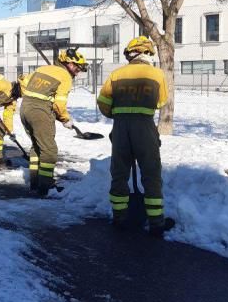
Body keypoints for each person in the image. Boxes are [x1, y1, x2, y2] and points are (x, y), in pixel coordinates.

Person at [97, 36, 174, 236]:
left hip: (121, 126)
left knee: (120, 172)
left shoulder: (116, 74)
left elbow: (103, 103)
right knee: (151, 173)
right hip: (145, 126)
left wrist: (120, 114)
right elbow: (161, 102)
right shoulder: (157, 74)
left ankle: (119, 218)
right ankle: (156, 223)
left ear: (130, 54)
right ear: (149, 53)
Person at [20, 48, 88, 195]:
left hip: (25, 108)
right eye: (77, 67)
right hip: (40, 111)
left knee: (37, 146)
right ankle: (45, 186)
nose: (77, 71)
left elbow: (24, 84)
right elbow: (59, 103)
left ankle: (35, 182)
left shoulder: (42, 69)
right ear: (68, 63)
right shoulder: (65, 76)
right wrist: (65, 119)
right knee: (49, 150)